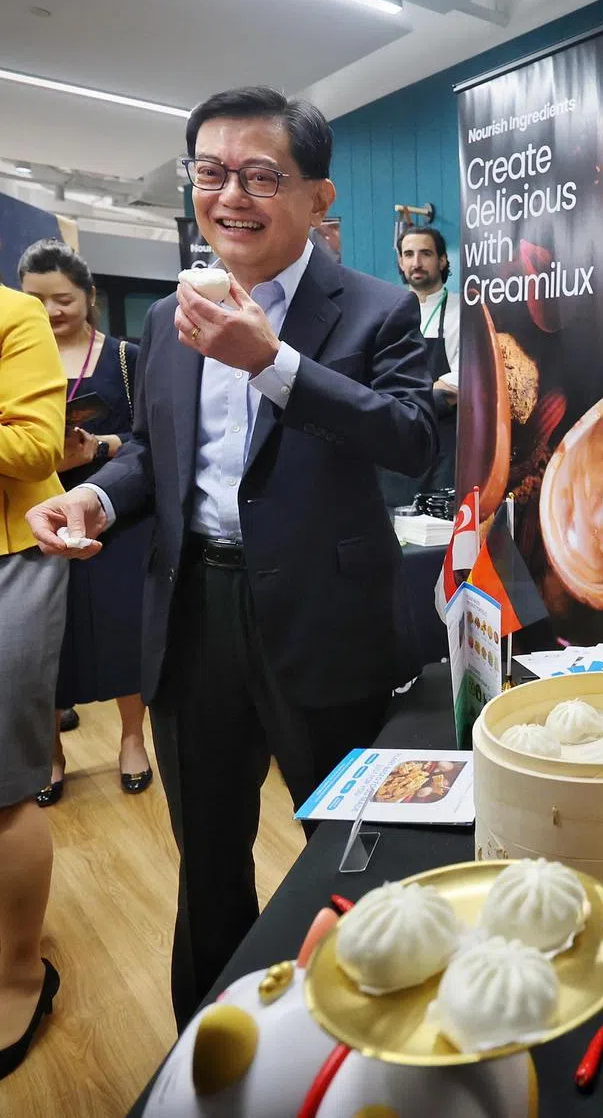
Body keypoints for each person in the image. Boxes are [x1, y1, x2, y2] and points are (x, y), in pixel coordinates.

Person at [27, 85, 438, 1027]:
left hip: (325, 622)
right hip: (191, 615)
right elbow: (152, 456)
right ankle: (209, 1053)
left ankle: (369, 1033)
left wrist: (274, 364)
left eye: (262, 174)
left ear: (317, 197)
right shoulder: (172, 323)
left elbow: (416, 441)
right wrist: (92, 495)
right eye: (211, 173)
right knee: (206, 856)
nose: (231, 195)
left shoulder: (377, 312)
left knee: (352, 846)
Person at [18, 239, 153, 803]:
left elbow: (150, 438)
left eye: (63, 299)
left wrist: (97, 447)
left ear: (88, 297)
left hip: (115, 515)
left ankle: (131, 741)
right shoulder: (14, 361)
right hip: (34, 516)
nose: (51, 312)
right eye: (36, 300)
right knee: (43, 642)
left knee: (127, 632)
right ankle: (48, 753)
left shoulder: (126, 357)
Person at [0, 283, 66, 1078]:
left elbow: (35, 446)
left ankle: (20, 970)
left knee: (6, 781)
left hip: (12, 554)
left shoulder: (13, 314)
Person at [384, 225, 459, 505]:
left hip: (440, 451)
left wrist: (394, 405)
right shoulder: (386, 314)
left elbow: (456, 388)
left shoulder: (463, 312)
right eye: (409, 254)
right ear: (401, 262)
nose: (416, 262)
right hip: (392, 454)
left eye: (425, 253)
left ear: (442, 260)